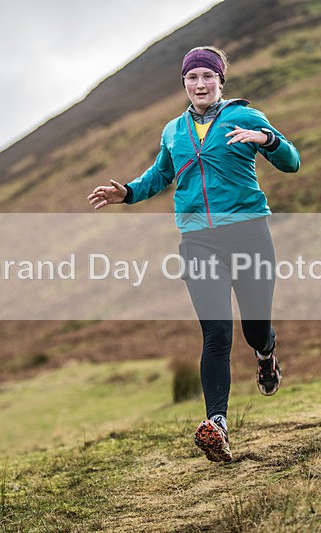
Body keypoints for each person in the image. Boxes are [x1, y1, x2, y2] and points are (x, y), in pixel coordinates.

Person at [87, 46, 300, 463]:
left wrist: (267, 140)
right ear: (184, 84)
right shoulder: (174, 130)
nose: (199, 84)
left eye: (207, 76)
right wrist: (128, 193)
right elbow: (161, 174)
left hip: (248, 235)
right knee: (216, 334)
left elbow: (291, 160)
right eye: (192, 78)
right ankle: (216, 425)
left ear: (221, 81)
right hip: (198, 242)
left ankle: (266, 353)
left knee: (255, 329)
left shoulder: (245, 117)